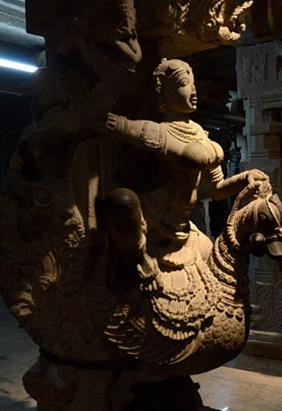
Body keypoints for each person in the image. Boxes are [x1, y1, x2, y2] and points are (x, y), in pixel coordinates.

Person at [98, 58, 270, 262]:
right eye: (182, 84)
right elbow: (113, 124)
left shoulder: (199, 132)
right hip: (156, 222)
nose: (193, 91)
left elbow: (217, 190)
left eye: (193, 83)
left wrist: (245, 178)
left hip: (185, 224)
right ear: (164, 94)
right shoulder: (158, 132)